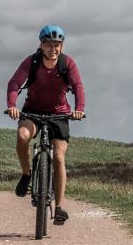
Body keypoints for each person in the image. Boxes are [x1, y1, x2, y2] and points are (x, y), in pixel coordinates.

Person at [5, 24, 86, 225]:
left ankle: (59, 207)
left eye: (57, 44)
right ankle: (26, 174)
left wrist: (79, 109)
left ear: (62, 45)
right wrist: (12, 105)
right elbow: (14, 83)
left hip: (59, 114)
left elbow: (77, 87)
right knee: (23, 137)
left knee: (58, 157)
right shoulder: (31, 62)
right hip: (32, 111)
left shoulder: (67, 64)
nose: (53, 49)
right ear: (41, 45)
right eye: (49, 44)